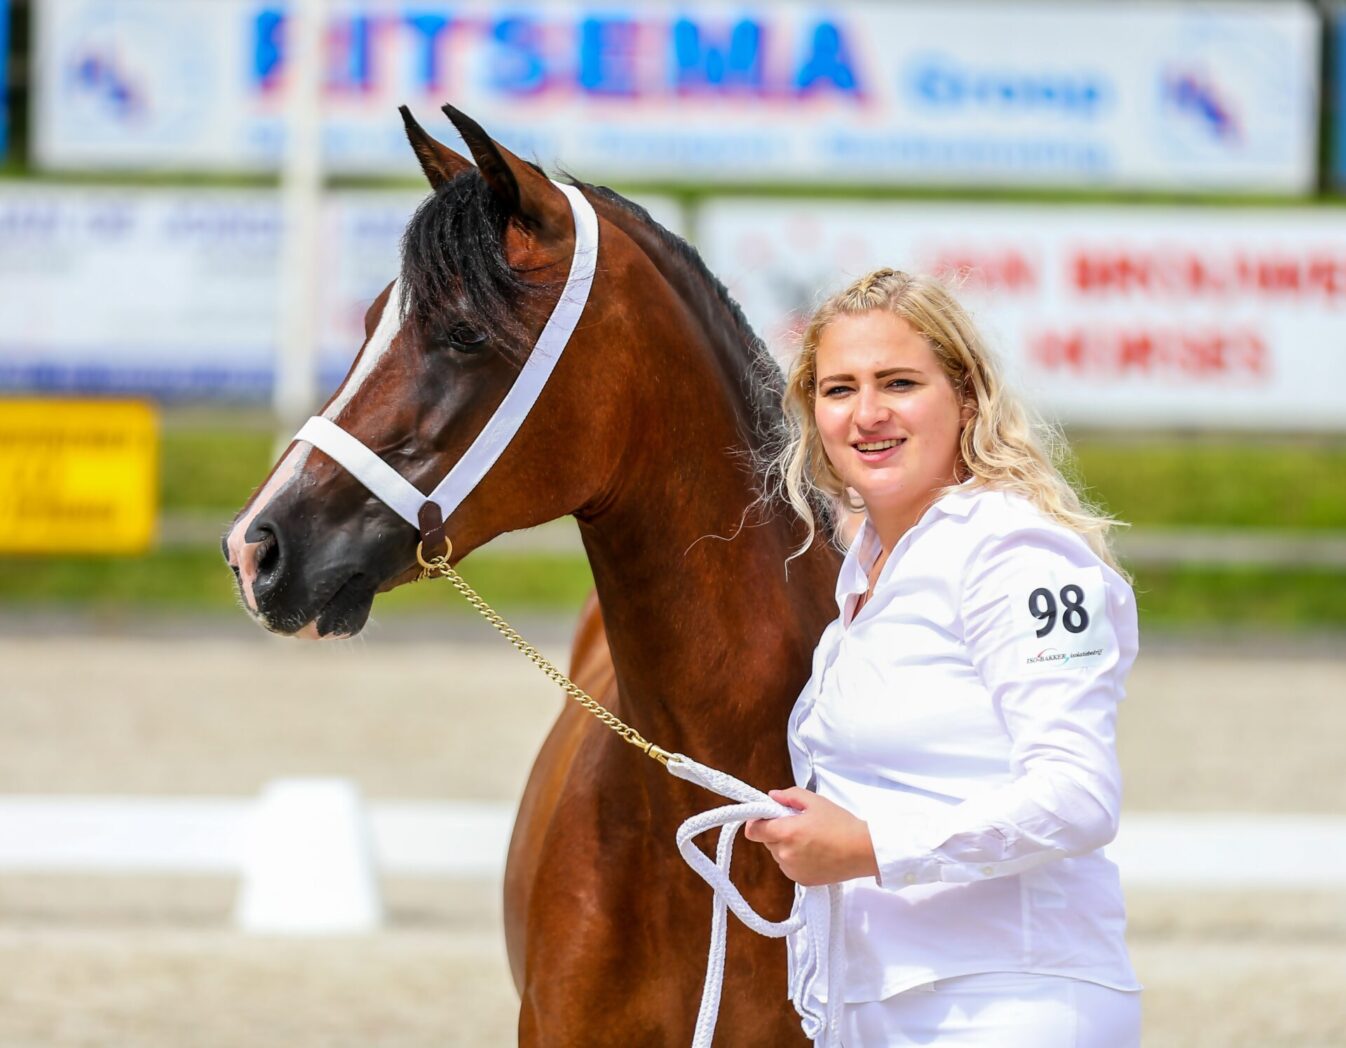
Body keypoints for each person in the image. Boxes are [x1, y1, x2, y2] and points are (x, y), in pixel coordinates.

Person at [745, 269, 1142, 1046]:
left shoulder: (1015, 553)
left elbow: (1078, 796)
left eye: (899, 382)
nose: (867, 413)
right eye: (839, 389)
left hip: (1009, 1004)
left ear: (965, 397)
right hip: (878, 1007)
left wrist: (868, 847)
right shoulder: (865, 574)